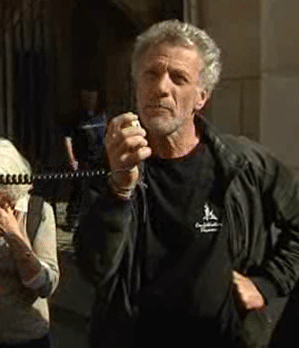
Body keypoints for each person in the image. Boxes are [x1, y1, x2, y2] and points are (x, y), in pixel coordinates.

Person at [74, 19, 299, 347]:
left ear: (201, 97)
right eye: (151, 74)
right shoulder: (111, 167)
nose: (161, 87)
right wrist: (119, 189)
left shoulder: (245, 165)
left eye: (178, 78)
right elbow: (94, 269)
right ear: (137, 87)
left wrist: (266, 284)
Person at [0, 138, 59, 348]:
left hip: (25, 336)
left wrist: (14, 235)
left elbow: (46, 285)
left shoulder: (38, 212)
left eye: (0, 192)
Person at [62, 89, 106, 231]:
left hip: (99, 159)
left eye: (92, 98)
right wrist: (72, 159)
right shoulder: (76, 118)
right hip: (82, 160)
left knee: (99, 191)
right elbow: (67, 138)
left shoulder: (102, 116)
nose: (90, 101)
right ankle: (72, 219)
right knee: (79, 191)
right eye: (87, 98)